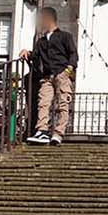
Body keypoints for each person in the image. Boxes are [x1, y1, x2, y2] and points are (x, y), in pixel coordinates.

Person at [19, 7, 78, 146]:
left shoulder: (65, 36)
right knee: (43, 102)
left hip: (61, 74)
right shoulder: (41, 41)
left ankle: (58, 133)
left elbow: (73, 54)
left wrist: (68, 71)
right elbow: (35, 56)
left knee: (63, 104)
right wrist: (26, 52)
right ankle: (42, 131)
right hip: (46, 77)